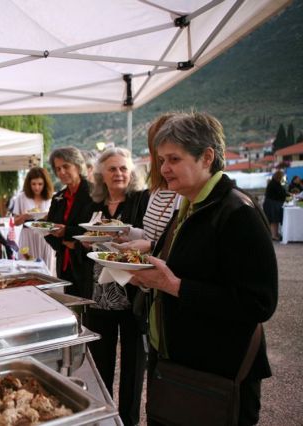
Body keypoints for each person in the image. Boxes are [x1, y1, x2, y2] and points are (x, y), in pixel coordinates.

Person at [129, 112, 278, 425]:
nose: (163, 169)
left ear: (206, 157)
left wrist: (174, 286)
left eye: (173, 159)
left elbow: (258, 303)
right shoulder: (188, 204)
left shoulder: (238, 213)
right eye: (160, 159)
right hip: (177, 368)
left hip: (216, 377)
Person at [82, 147, 148, 426]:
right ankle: (104, 419)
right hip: (99, 294)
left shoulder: (141, 201)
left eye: (123, 168)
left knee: (133, 367)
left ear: (131, 173)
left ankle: (129, 421)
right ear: (102, 175)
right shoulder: (93, 204)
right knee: (100, 363)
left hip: (132, 290)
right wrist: (86, 241)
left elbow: (152, 238)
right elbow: (85, 237)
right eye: (112, 169)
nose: (119, 173)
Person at [117, 113, 181, 254]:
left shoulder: (184, 193)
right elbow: (148, 235)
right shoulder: (157, 191)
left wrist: (151, 245)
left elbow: (182, 246)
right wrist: (123, 231)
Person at [44, 146, 94, 299]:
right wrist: (64, 242)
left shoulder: (94, 193)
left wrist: (67, 232)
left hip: (86, 263)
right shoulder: (58, 197)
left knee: (89, 310)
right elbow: (49, 229)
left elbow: (96, 229)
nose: (61, 172)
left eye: (66, 166)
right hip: (64, 263)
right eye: (58, 169)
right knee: (72, 307)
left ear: (78, 166)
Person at [12, 167, 56, 273]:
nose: (37, 187)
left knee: (47, 269)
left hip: (46, 236)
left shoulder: (52, 197)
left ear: (45, 184)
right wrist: (25, 216)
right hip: (28, 235)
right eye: (34, 184)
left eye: (40, 184)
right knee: (27, 269)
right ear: (29, 184)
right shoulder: (22, 197)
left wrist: (47, 216)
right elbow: (15, 222)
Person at [262, 170, 287, 241]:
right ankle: (274, 235)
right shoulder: (274, 184)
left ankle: (275, 234)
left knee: (274, 220)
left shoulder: (274, 183)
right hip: (272, 204)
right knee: (274, 220)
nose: (283, 177)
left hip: (272, 203)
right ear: (279, 176)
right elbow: (280, 194)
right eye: (282, 176)